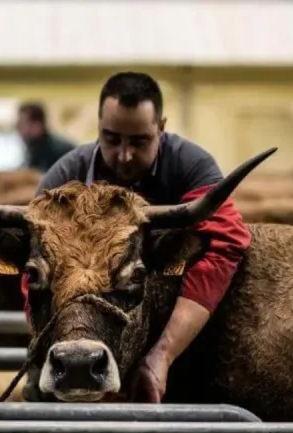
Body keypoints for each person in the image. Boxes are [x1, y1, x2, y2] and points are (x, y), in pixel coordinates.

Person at [19, 71, 251, 403]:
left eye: (140, 141)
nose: (124, 155)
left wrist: (164, 353)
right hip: (82, 336)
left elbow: (224, 246)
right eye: (111, 139)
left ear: (162, 126)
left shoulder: (191, 165)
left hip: (175, 331)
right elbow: (35, 266)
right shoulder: (64, 175)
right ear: (98, 127)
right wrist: (49, 344)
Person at [15, 101, 76, 172]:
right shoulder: (33, 145)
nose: (17, 127)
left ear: (37, 125)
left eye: (22, 123)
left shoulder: (59, 150)